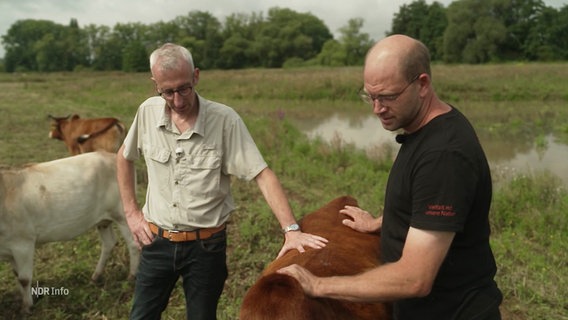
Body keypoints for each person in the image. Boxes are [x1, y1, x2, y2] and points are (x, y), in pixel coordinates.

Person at [278, 34, 503, 320]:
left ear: (422, 85)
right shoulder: (423, 132)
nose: (376, 109)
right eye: (370, 96)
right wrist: (382, 222)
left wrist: (318, 284)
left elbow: (414, 278)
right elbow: (425, 202)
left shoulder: (444, 155)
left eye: (387, 97)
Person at [116, 43, 328, 320]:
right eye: (167, 91)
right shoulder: (146, 112)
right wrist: (132, 213)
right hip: (157, 242)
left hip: (206, 247)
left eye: (184, 88)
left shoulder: (225, 121)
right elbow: (124, 157)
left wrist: (291, 230)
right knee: (141, 315)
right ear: (155, 84)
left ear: (196, 76)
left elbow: (262, 174)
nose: (178, 100)